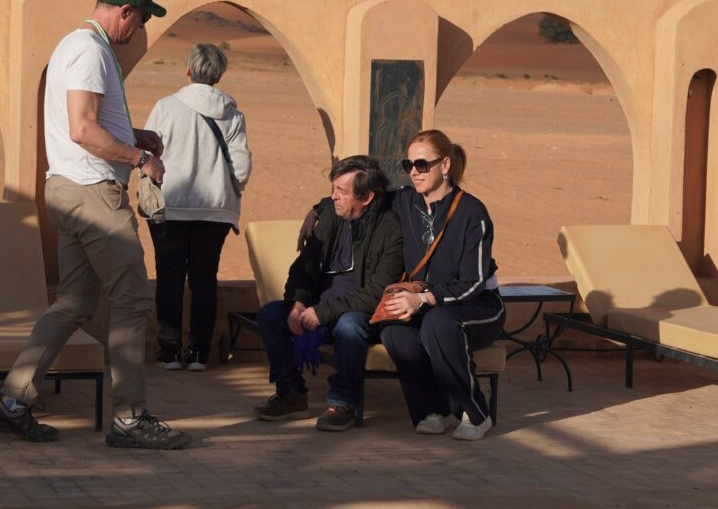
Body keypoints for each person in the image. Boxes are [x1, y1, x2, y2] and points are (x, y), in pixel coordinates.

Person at [0, 0, 192, 450]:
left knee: (74, 302)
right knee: (133, 297)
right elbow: (82, 129)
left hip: (70, 189)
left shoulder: (76, 47)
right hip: (92, 192)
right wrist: (140, 158)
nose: (139, 29)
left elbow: (89, 123)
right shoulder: (90, 51)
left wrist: (135, 134)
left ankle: (12, 403)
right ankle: (130, 418)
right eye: (140, 19)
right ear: (125, 11)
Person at [254, 155, 403, 431]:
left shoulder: (390, 229)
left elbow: (376, 293)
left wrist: (322, 312)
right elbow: (303, 268)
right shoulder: (331, 217)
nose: (333, 197)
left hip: (361, 311)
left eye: (341, 191)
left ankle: (343, 403)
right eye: (333, 188)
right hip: (318, 305)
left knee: (349, 326)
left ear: (367, 197)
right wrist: (298, 304)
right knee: (271, 315)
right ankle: (291, 394)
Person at [378, 129, 504, 441]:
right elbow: (364, 195)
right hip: (428, 304)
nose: (414, 172)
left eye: (422, 165)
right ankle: (431, 411)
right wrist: (318, 210)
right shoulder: (404, 201)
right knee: (394, 332)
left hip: (479, 306)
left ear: (444, 165)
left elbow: (473, 283)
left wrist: (424, 300)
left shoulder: (473, 212)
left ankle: (476, 413)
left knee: (438, 322)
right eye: (408, 165)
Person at [144, 42, 252, 372]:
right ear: (219, 75)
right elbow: (241, 167)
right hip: (215, 210)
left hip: (171, 206)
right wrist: (228, 189)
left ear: (188, 70)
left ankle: (170, 352)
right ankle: (198, 354)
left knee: (169, 278)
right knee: (205, 279)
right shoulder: (232, 113)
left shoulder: (166, 107)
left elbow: (148, 150)